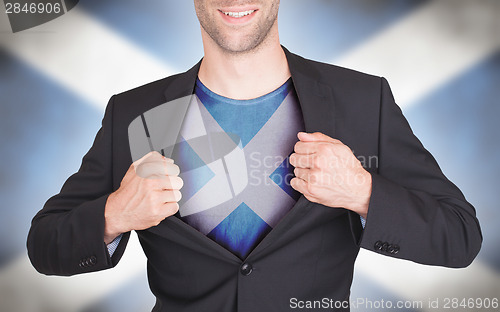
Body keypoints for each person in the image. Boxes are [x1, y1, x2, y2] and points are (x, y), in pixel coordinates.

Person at [27, 1, 482, 311]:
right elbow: (45, 245)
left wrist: (363, 191)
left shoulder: (363, 100)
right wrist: (114, 214)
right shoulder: (135, 113)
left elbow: (460, 236)